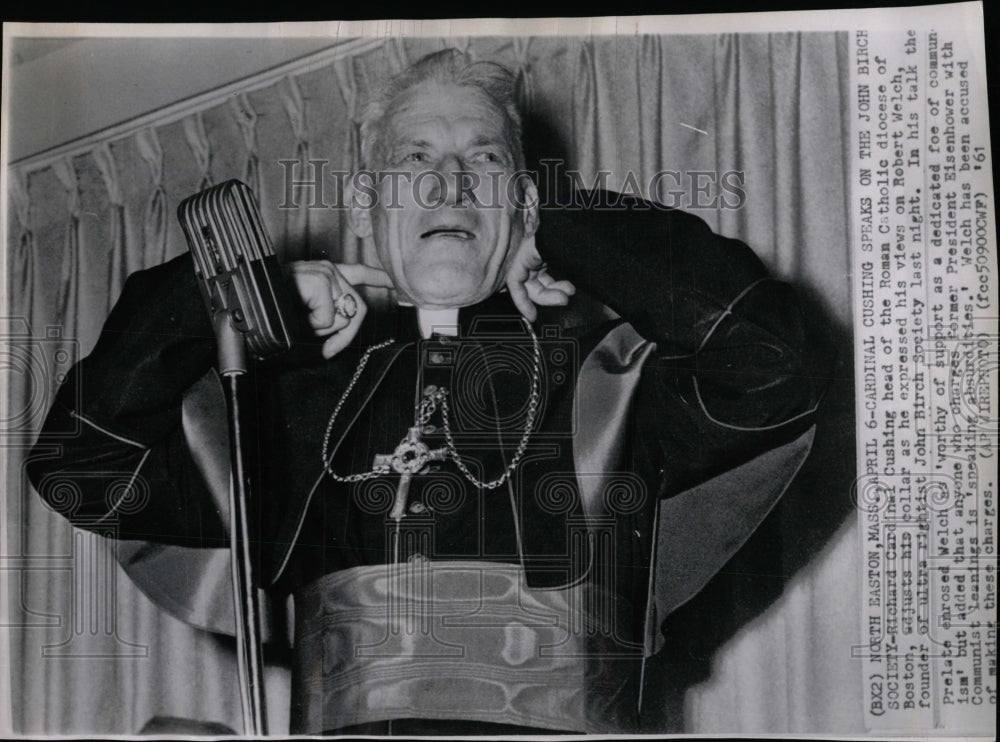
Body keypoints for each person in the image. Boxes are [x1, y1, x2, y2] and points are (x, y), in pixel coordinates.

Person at [28, 49, 834, 735]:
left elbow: (770, 362)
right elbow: (81, 465)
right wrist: (233, 301)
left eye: (483, 159)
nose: (450, 184)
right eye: (414, 159)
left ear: (520, 205)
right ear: (366, 210)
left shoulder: (608, 384)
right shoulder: (285, 406)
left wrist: (558, 228)